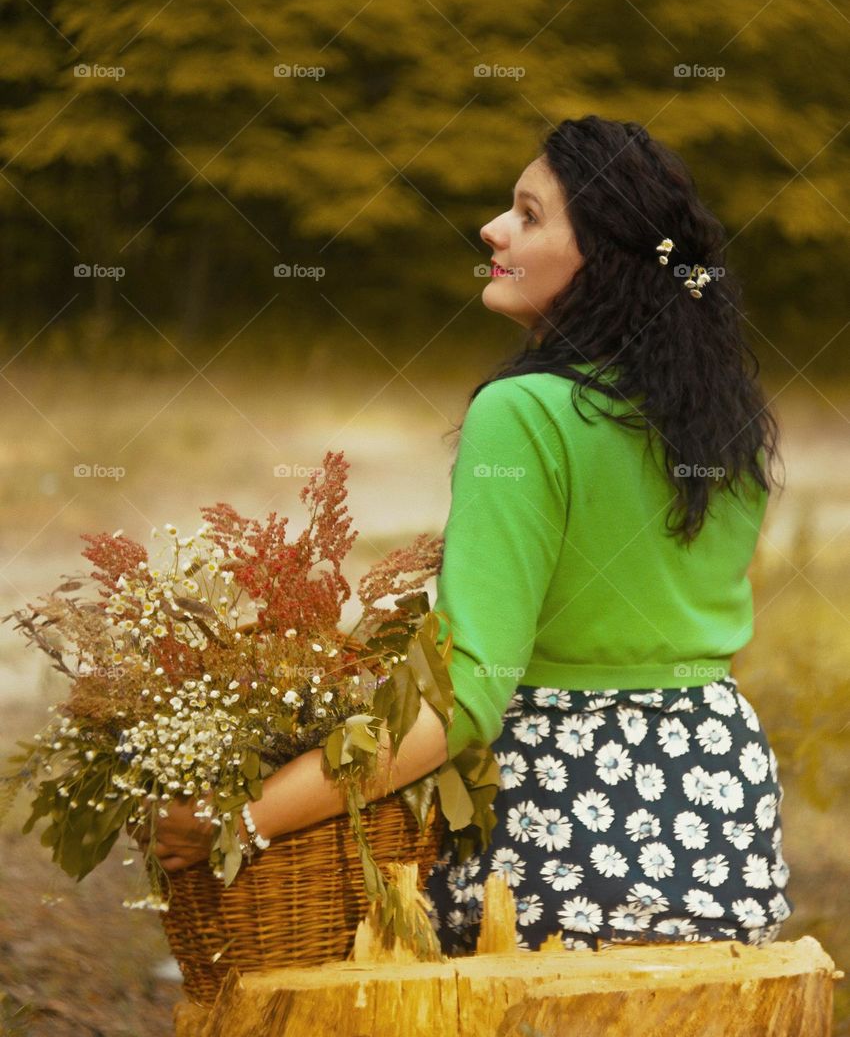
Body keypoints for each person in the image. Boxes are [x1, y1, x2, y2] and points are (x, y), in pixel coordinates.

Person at [146, 114, 793, 956]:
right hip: (724, 818)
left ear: (597, 254)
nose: (492, 228)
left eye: (528, 215)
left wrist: (240, 817)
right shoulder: (720, 418)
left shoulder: (523, 412)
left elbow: (464, 700)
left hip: (567, 835)